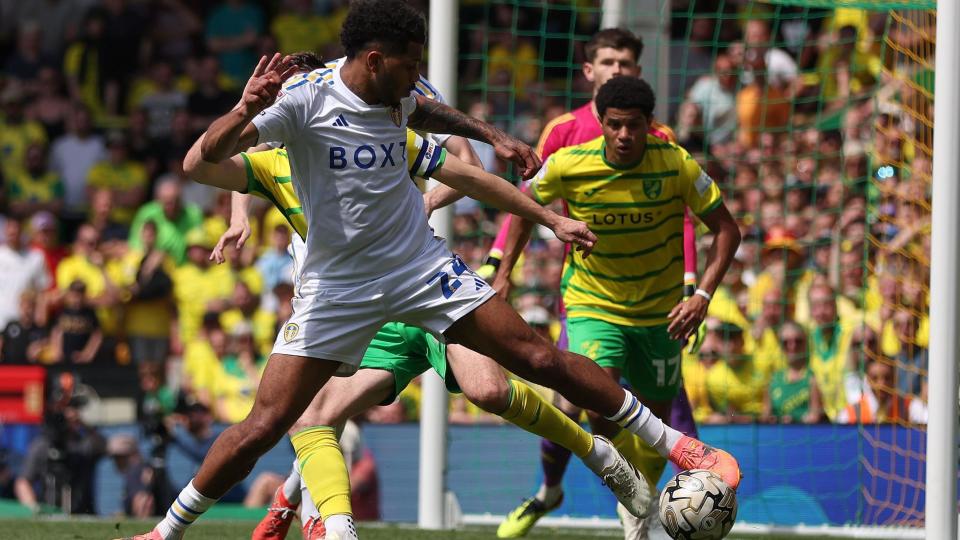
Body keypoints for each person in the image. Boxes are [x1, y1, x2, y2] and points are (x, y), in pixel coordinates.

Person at [121, 4, 739, 540]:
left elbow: (446, 142)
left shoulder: (396, 104)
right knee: (265, 425)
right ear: (371, 59)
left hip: (421, 269)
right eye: (409, 62)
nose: (418, 75)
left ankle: (681, 448)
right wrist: (242, 110)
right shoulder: (303, 104)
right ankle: (171, 528)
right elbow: (201, 163)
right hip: (337, 292)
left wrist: (519, 174)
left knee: (535, 358)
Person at [189, 130, 662, 540]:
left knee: (490, 390)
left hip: (421, 287)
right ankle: (310, 513)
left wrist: (428, 198)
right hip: (351, 303)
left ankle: (596, 451)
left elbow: (468, 167)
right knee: (315, 411)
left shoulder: (404, 103)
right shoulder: (300, 130)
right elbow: (243, 154)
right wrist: (239, 216)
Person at [481, 28, 704, 538]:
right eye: (608, 61)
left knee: (663, 411)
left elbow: (684, 215)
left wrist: (693, 285)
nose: (617, 70)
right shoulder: (562, 131)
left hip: (656, 298)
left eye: (626, 62)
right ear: (589, 71)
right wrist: (500, 264)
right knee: (576, 399)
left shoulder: (657, 138)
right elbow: (525, 200)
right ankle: (552, 492)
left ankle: (657, 508)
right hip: (589, 295)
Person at [761, 321, 823, 424]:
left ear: (805, 343)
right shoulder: (773, 380)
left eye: (798, 341)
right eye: (786, 342)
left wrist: (794, 420)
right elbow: (765, 416)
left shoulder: (813, 377)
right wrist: (776, 420)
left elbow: (815, 416)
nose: (792, 346)